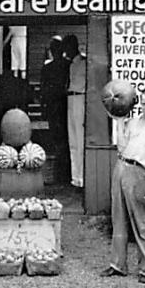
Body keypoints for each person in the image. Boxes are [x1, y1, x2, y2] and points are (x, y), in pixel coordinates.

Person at [100, 85, 145, 283]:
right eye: (144, 103)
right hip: (121, 167)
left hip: (139, 173)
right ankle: (118, 265)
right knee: (118, 219)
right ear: (140, 103)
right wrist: (119, 121)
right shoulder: (133, 123)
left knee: (140, 222)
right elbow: (121, 147)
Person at [62, 34, 86, 188]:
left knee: (80, 138)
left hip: (80, 98)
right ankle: (75, 177)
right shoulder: (70, 64)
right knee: (72, 139)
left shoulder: (84, 62)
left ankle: (82, 177)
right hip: (70, 98)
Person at [40, 36, 69, 148]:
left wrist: (43, 105)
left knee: (55, 130)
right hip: (63, 102)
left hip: (54, 102)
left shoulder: (47, 68)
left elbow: (43, 88)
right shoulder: (68, 65)